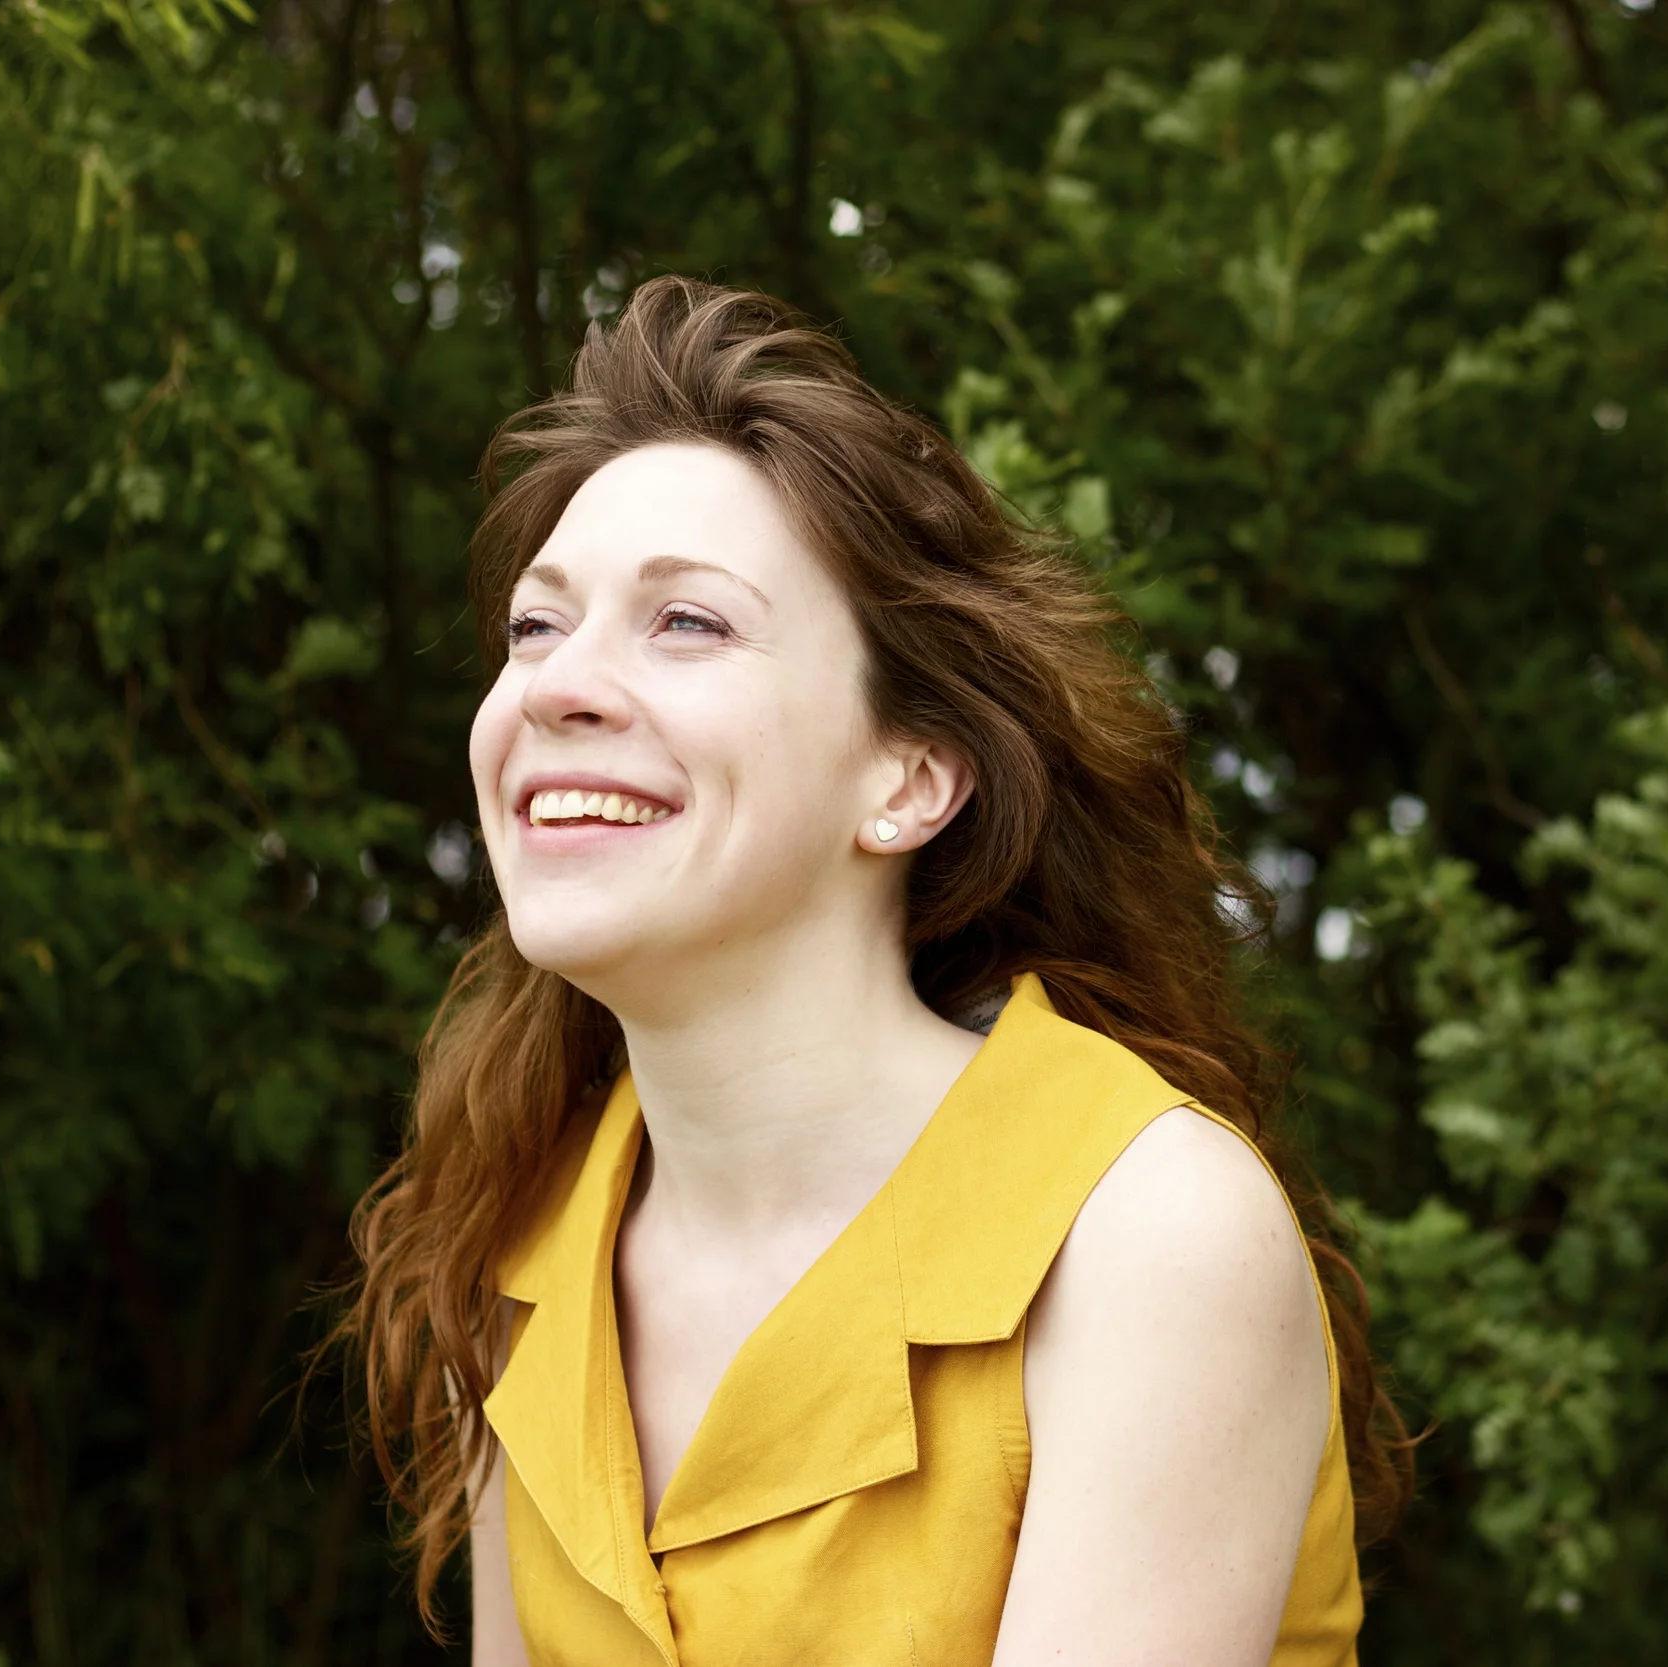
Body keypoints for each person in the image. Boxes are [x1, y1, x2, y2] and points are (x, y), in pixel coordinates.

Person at [341, 277, 1406, 1666]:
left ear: (907, 780)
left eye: (688, 622)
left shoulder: (1144, 1233)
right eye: (535, 627)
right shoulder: (520, 1235)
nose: (554, 685)